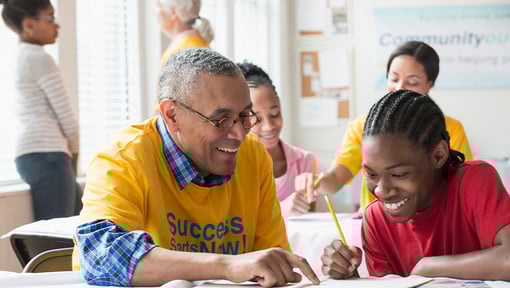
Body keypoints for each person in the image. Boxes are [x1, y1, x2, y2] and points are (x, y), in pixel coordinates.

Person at [72, 48, 320, 287]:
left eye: (245, 117)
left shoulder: (253, 154)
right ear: (172, 115)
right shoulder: (124, 157)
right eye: (221, 120)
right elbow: (99, 255)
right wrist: (226, 266)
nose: (239, 134)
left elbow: (271, 259)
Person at [320, 89, 510, 280]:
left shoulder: (474, 181)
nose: (381, 190)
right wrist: (351, 278)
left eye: (399, 174)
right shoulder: (376, 219)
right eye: (371, 174)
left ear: (438, 156)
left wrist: (428, 268)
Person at [296, 41, 472, 216]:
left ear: (429, 84)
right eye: (394, 78)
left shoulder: (450, 129)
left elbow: (460, 187)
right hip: (377, 229)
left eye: (412, 82)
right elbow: (336, 179)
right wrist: (317, 182)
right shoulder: (363, 127)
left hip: (433, 225)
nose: (399, 87)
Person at [0, 0, 82, 220]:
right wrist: (74, 157)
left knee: (74, 225)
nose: (58, 25)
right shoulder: (39, 58)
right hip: (48, 155)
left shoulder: (20, 56)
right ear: (28, 24)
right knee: (56, 239)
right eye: (50, 18)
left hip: (30, 156)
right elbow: (67, 120)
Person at [237, 61, 319, 218]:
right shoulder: (232, 166)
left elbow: (310, 223)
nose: (269, 126)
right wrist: (280, 210)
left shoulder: (304, 161)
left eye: (275, 114)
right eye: (257, 119)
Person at [157, 0, 214, 67]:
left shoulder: (175, 54)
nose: (155, 13)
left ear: (173, 12)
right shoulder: (199, 41)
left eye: (160, 6)